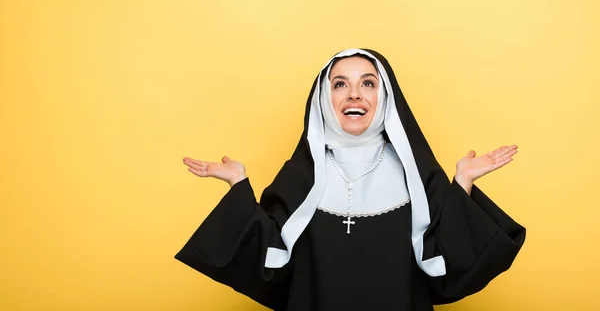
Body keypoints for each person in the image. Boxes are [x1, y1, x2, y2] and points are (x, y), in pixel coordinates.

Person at [175, 48, 526, 311]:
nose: (354, 94)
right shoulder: (300, 176)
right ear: (324, 100)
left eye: (368, 83)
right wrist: (239, 187)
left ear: (384, 97)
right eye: (340, 84)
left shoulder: (417, 176)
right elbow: (268, 267)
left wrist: (461, 185)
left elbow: (449, 269)